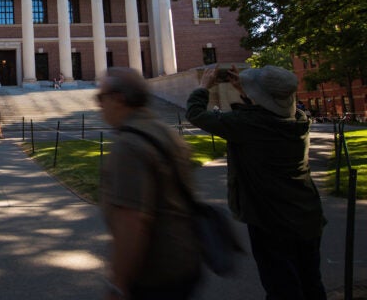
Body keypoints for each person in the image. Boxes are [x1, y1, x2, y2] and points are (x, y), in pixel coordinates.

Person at [186, 65, 326, 300]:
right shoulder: (299, 120)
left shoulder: (248, 124)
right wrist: (248, 92)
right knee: (311, 282)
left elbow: (196, 114)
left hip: (271, 220)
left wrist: (203, 88)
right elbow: (268, 116)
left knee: (282, 288)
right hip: (308, 214)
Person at [98, 67, 201, 300]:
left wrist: (118, 284)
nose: (99, 105)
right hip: (185, 260)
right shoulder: (165, 132)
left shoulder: (129, 145)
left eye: (101, 98)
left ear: (119, 98)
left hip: (155, 271)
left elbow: (132, 220)